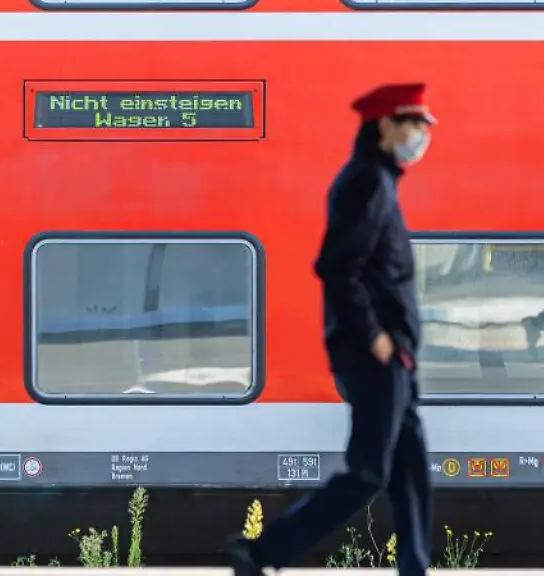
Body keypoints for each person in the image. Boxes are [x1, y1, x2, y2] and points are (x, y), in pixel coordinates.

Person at [224, 83, 436, 576]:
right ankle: (262, 552)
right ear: (385, 126)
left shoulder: (378, 179)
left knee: (409, 472)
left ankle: (415, 566)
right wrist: (374, 336)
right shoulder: (366, 182)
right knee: (368, 473)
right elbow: (338, 267)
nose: (423, 136)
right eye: (415, 125)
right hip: (375, 354)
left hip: (393, 356)